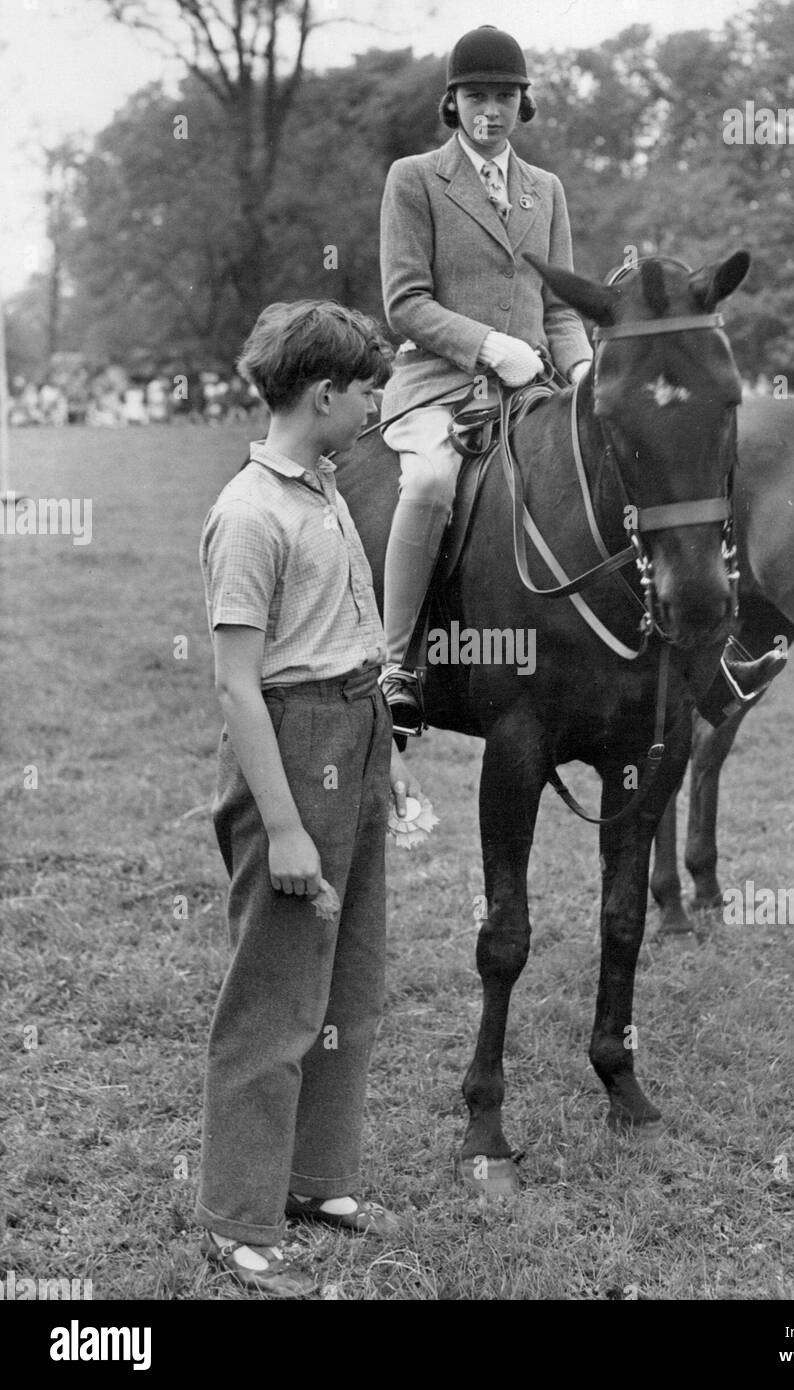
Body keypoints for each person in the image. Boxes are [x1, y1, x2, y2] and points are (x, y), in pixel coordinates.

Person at [377, 25, 781, 734]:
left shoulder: (546, 190)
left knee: (630, 479)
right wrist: (488, 347)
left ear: (523, 102)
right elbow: (405, 302)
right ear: (453, 103)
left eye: (504, 96)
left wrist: (589, 372)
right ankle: (400, 659)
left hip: (533, 389)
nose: (491, 112)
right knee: (430, 483)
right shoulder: (414, 180)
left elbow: (561, 309)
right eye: (476, 97)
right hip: (440, 387)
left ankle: (698, 664)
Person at [197, 299, 418, 1297]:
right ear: (324, 395)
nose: (377, 401)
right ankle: (238, 1219)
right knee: (278, 991)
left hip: (357, 732)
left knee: (349, 984)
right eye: (368, 387)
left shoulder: (326, 486)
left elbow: (357, 633)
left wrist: (387, 763)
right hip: (293, 743)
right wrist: (284, 826)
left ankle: (313, 1180)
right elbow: (239, 684)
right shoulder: (250, 512)